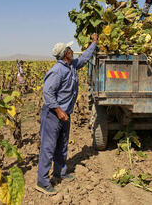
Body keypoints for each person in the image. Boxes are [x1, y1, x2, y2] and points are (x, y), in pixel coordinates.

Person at [36, 33, 98, 195]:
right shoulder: (57, 71)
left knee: (62, 145)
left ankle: (60, 172)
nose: (72, 49)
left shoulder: (71, 66)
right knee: (48, 148)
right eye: (69, 48)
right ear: (66, 54)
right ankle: (42, 182)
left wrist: (94, 43)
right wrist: (59, 111)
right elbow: (48, 92)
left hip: (65, 114)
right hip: (53, 115)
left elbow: (84, 59)